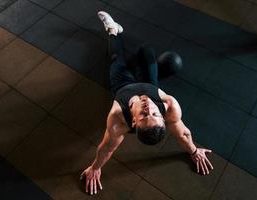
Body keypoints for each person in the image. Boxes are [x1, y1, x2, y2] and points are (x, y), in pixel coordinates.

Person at [80, 11, 213, 195]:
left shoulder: (118, 122)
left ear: (133, 122)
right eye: (155, 114)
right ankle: (150, 62)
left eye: (144, 115)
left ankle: (113, 29)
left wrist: (95, 167)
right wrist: (193, 151)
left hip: (123, 84)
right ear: (162, 115)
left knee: (115, 60)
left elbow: (106, 149)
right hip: (149, 85)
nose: (149, 107)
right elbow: (183, 133)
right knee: (147, 50)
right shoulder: (169, 105)